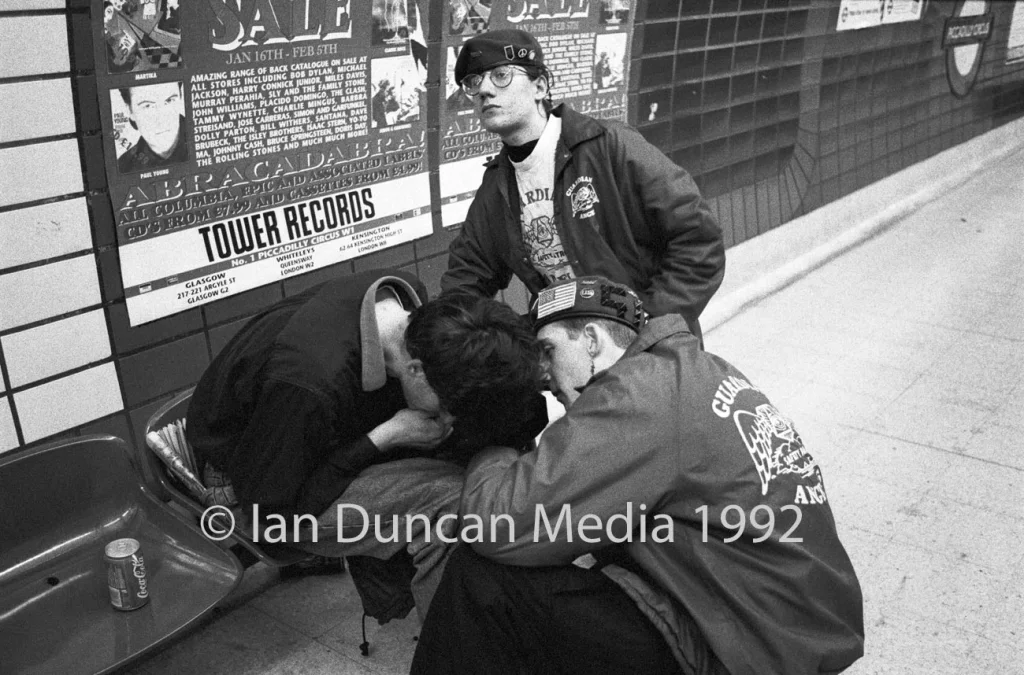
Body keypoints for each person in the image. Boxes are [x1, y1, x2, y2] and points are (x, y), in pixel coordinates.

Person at [411, 276, 865, 675]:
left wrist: (495, 437)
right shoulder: (695, 370)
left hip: (751, 651)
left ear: (591, 339)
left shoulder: (636, 396)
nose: (544, 375)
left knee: (483, 578)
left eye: (548, 350)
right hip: (791, 624)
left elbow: (498, 523)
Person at [186, 270, 545, 622]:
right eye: (446, 409)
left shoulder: (412, 311)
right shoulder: (308, 384)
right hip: (254, 489)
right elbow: (271, 503)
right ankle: (454, 653)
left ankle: (501, 607)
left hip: (304, 440)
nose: (447, 420)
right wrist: (384, 437)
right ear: (416, 370)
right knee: (451, 503)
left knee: (491, 445)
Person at [442, 29, 725, 343]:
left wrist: (647, 326)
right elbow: (466, 278)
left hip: (653, 354)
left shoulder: (609, 146)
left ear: (540, 86)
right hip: (576, 364)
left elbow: (699, 239)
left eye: (501, 75)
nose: (484, 90)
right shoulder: (496, 186)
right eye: (473, 82)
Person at [117, 81, 187, 172]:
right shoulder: (123, 167)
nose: (162, 120)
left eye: (169, 100)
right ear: (130, 111)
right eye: (147, 106)